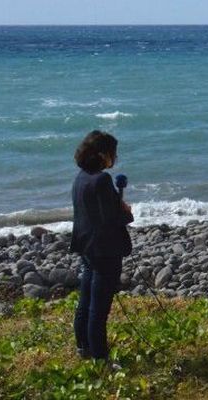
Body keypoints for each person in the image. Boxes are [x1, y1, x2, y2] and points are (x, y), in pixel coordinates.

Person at [70, 130, 133, 363]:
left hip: (86, 248)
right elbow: (110, 219)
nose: (114, 158)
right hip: (105, 251)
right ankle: (100, 358)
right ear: (102, 154)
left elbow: (93, 213)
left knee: (85, 302)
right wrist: (126, 212)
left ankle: (82, 348)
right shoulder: (102, 180)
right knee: (99, 309)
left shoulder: (81, 177)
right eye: (113, 153)